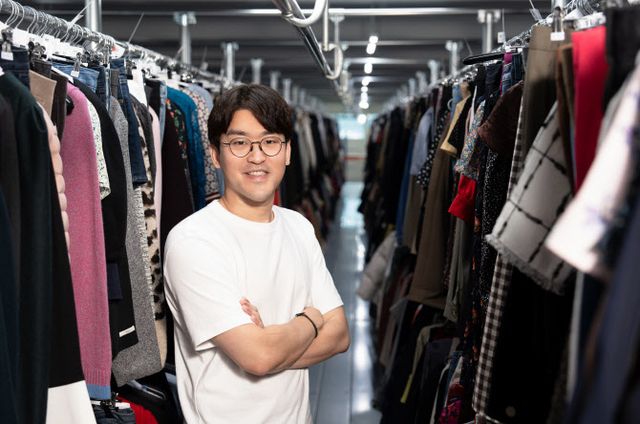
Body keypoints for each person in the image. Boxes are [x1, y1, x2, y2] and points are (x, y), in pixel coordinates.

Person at [163, 84, 350, 423]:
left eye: (270, 141)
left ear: (287, 152)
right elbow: (259, 356)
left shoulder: (299, 226)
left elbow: (339, 335)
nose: (257, 157)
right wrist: (311, 319)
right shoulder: (193, 240)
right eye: (239, 143)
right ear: (215, 155)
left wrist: (272, 344)